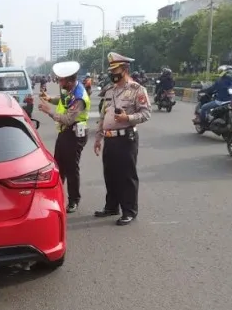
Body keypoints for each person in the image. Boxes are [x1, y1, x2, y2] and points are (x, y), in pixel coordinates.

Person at [93, 52, 151, 226]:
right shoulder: (110, 91)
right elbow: (103, 116)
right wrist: (98, 138)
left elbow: (146, 113)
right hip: (110, 139)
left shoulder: (137, 90)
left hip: (126, 138)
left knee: (126, 176)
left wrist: (128, 118)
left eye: (115, 69)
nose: (112, 73)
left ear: (125, 69)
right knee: (110, 175)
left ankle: (129, 211)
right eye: (111, 70)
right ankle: (111, 207)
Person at [38, 61, 90, 213]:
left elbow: (68, 119)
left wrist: (49, 111)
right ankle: (57, 196)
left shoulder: (79, 96)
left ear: (69, 80)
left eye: (61, 80)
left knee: (71, 168)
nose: (58, 82)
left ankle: (74, 200)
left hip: (74, 134)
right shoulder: (69, 90)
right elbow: (63, 100)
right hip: (65, 133)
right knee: (59, 166)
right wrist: (49, 99)